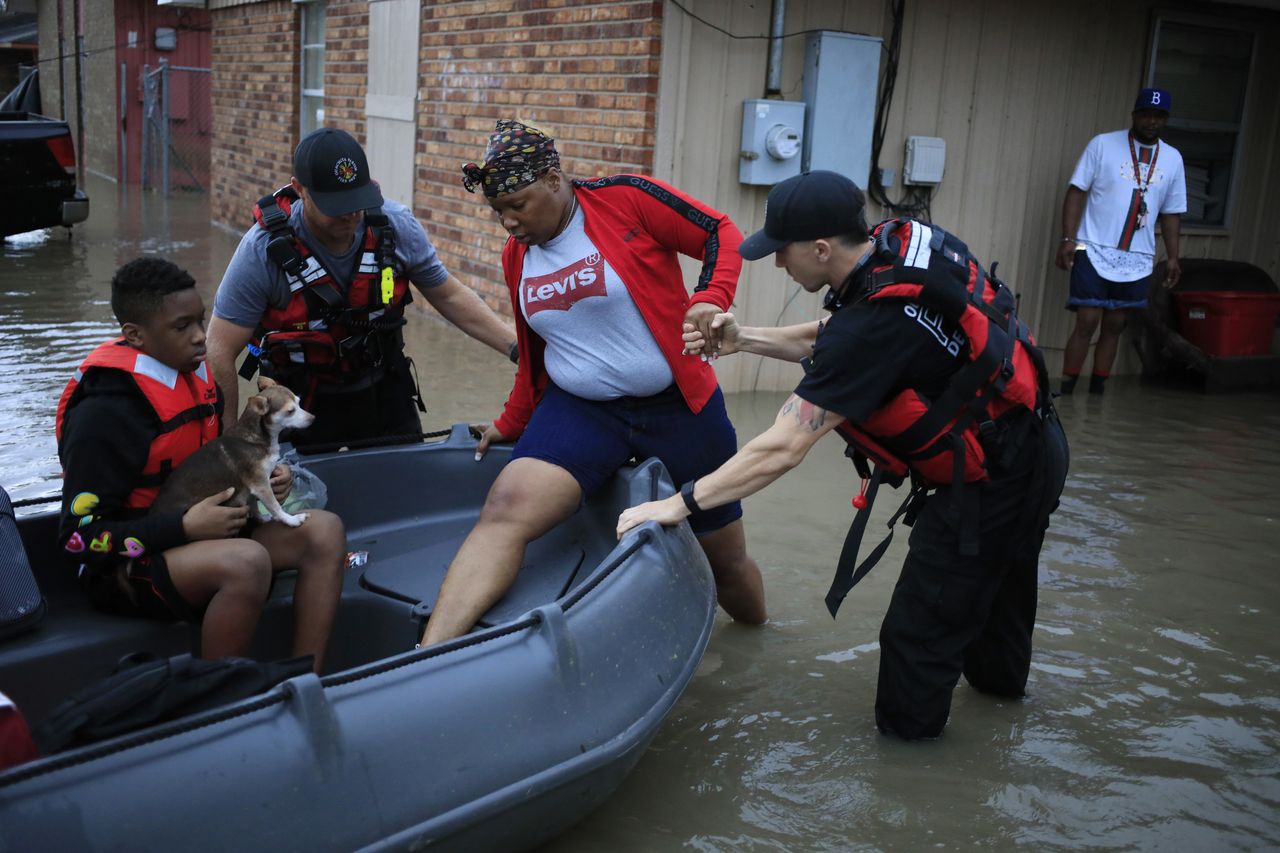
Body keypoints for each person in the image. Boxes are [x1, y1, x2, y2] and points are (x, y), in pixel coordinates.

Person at [617, 170, 1069, 740]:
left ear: (821, 248)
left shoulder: (872, 327)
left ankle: (909, 785)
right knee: (996, 605)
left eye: (783, 253)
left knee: (917, 636)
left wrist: (680, 505)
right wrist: (744, 338)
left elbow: (782, 447)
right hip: (1035, 445)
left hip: (989, 483)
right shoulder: (898, 245)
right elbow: (830, 338)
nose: (778, 264)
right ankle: (1005, 726)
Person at [419, 119, 767, 646]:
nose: (509, 222)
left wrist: (709, 298)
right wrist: (510, 422)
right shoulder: (519, 255)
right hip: (582, 412)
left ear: (555, 179)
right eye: (498, 212)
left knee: (726, 560)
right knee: (505, 508)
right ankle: (429, 655)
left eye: (518, 205)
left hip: (679, 409)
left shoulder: (626, 201)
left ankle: (759, 642)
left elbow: (721, 231)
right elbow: (535, 355)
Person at [55, 258, 346, 672]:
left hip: (206, 537)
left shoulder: (198, 377)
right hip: (127, 569)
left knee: (325, 530)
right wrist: (184, 527)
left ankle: (308, 679)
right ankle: (221, 708)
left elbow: (220, 461)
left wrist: (260, 476)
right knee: (247, 562)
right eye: (181, 327)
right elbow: (76, 541)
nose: (200, 338)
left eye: (201, 321)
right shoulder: (106, 414)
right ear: (134, 335)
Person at [206, 127, 517, 450]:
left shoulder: (395, 226)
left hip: (383, 389)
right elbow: (220, 349)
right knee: (302, 497)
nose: (351, 214)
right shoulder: (262, 251)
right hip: (298, 403)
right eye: (336, 205)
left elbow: (448, 295)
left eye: (357, 200)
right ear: (300, 190)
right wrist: (230, 445)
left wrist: (517, 349)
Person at [1055, 87, 1187, 395]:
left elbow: (1171, 213)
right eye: (1146, 114)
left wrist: (1172, 257)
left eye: (1159, 116)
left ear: (1165, 120)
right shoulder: (1102, 144)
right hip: (1093, 246)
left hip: (1137, 256)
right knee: (1086, 321)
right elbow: (1076, 191)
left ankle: (1097, 393)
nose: (1151, 122)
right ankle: (1064, 393)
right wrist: (1067, 238)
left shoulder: (1173, 159)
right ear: (1134, 115)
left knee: (1115, 325)